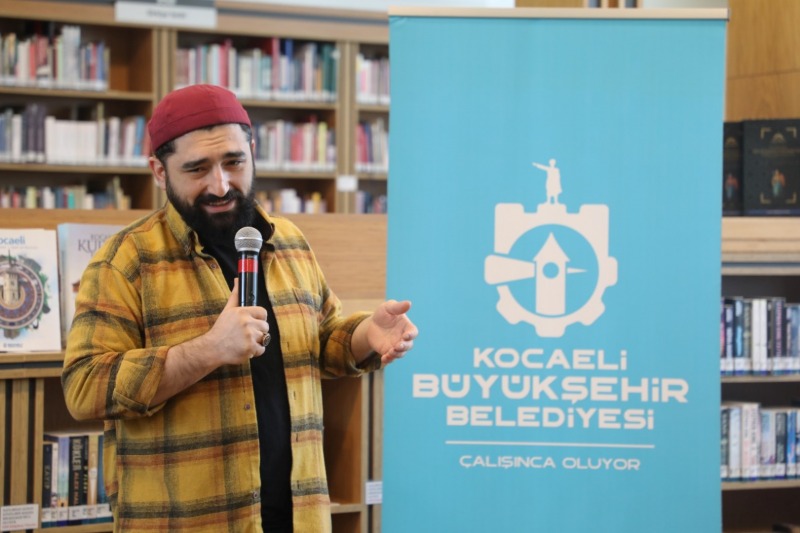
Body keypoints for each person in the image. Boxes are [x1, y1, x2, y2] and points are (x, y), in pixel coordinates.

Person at [61, 84, 418, 532]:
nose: (221, 185)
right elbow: (85, 387)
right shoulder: (126, 261)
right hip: (189, 523)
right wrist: (210, 349)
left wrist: (366, 335)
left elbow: (321, 341)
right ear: (159, 171)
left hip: (299, 515)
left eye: (234, 162)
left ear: (253, 152)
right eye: (197, 169)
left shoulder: (288, 241)